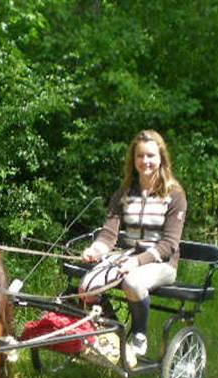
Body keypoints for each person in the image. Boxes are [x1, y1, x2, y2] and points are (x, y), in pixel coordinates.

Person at [80, 129, 187, 362]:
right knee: (86, 286)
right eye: (140, 156)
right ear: (133, 159)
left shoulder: (175, 195)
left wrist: (137, 262)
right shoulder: (124, 193)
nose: (145, 161)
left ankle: (139, 334)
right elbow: (109, 234)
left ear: (161, 158)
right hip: (126, 256)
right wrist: (95, 250)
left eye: (150, 155)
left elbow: (169, 244)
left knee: (133, 282)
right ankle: (113, 331)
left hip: (162, 263)